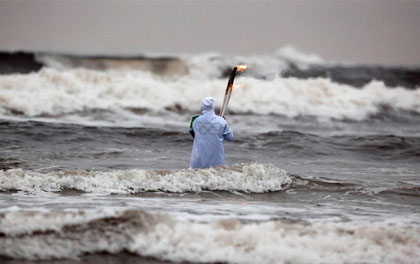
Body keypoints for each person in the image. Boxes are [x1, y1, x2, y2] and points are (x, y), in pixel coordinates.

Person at [190, 97, 233, 169]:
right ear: (213, 107)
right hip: (217, 163)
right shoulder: (222, 121)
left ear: (201, 108)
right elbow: (230, 137)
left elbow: (193, 134)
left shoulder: (195, 121)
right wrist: (225, 123)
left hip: (197, 162)